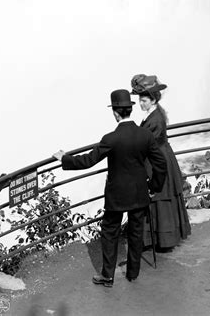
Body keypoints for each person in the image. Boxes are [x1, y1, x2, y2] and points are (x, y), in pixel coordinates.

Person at [53, 89, 167, 287]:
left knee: (109, 231)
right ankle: (133, 273)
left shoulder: (110, 138)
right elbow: (161, 164)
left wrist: (65, 158)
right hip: (140, 191)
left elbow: (88, 161)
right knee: (136, 231)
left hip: (117, 195)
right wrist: (154, 186)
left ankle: (107, 275)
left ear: (115, 112)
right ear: (130, 110)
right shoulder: (145, 135)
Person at [130, 74, 191, 250]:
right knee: (161, 197)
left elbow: (148, 143)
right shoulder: (154, 113)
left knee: (160, 196)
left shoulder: (155, 118)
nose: (141, 104)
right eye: (140, 100)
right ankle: (160, 238)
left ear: (152, 100)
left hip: (157, 160)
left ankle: (164, 239)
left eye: (144, 101)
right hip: (161, 156)